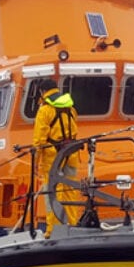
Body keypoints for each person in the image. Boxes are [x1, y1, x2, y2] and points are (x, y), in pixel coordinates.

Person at [32, 79, 82, 237]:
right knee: (70, 191)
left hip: (53, 157)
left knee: (53, 192)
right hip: (72, 154)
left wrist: (36, 161)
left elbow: (39, 139)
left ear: (42, 92)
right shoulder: (71, 109)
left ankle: (53, 230)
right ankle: (72, 225)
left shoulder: (45, 110)